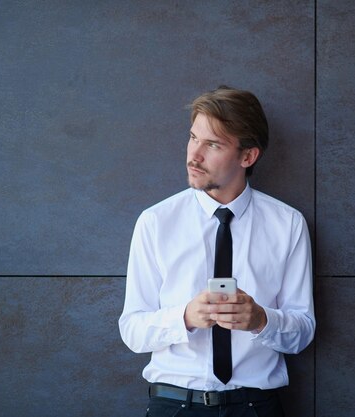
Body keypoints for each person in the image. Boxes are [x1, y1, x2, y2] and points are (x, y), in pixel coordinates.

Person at [119, 86, 315, 417]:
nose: (193, 156)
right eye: (193, 138)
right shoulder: (155, 222)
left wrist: (260, 319)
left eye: (212, 145)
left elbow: (302, 332)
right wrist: (184, 317)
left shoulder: (288, 224)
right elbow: (133, 331)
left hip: (255, 407)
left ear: (247, 157)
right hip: (174, 405)